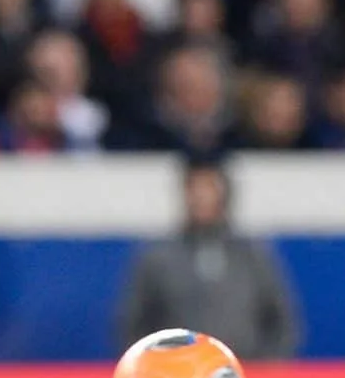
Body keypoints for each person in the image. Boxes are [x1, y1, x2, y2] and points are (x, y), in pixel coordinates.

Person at [117, 152, 301, 361]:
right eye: (195, 189)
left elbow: (282, 322)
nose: (202, 197)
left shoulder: (253, 255)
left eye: (210, 188)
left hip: (245, 376)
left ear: (224, 193)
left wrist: (265, 368)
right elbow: (132, 324)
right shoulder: (158, 257)